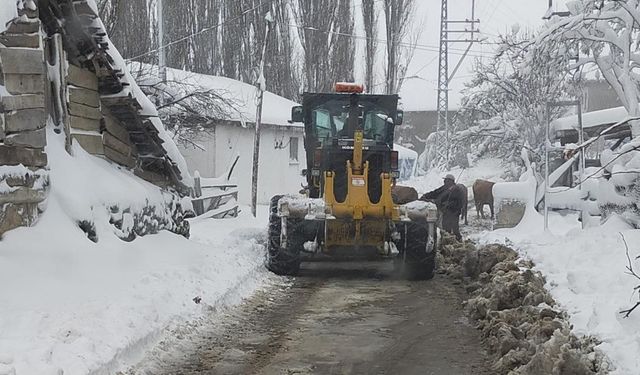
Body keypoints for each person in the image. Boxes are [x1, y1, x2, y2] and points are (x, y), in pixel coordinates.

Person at [420, 174, 463, 241]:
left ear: (450, 181)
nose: (444, 181)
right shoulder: (444, 188)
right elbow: (435, 192)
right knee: (446, 229)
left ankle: (458, 242)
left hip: (453, 213)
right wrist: (425, 196)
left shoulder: (456, 190)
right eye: (444, 180)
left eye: (446, 180)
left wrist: (448, 205)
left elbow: (459, 203)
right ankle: (449, 241)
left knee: (454, 230)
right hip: (445, 212)